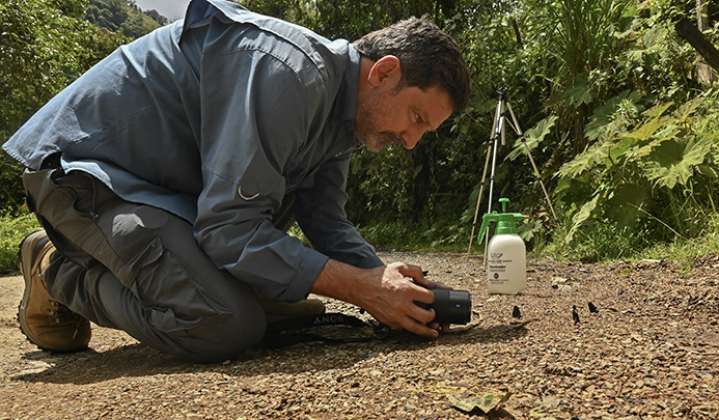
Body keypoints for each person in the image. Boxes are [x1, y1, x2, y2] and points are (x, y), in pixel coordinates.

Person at [3, 0, 470, 362]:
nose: (410, 141)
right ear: (385, 71)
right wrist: (362, 289)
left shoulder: (340, 116)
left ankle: (122, 265)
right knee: (222, 321)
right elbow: (230, 231)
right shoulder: (292, 75)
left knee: (278, 305)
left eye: (422, 132)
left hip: (167, 202)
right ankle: (56, 268)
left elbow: (325, 222)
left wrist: (385, 286)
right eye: (415, 118)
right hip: (87, 179)